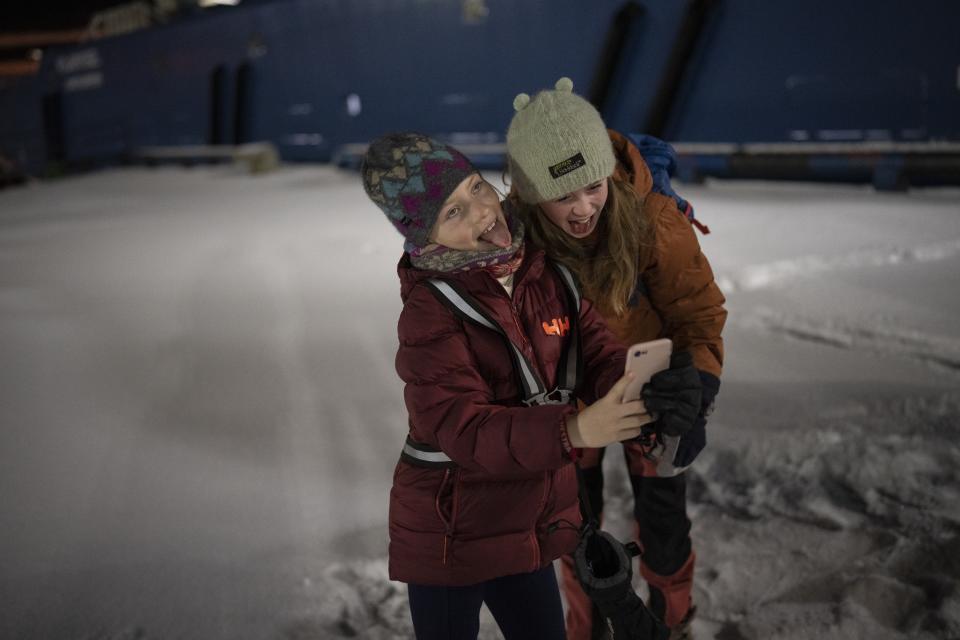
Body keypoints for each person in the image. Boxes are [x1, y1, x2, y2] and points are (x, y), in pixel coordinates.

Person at [361, 132, 655, 639]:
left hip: (527, 524)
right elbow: (463, 428)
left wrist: (644, 391)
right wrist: (575, 429)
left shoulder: (544, 272)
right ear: (424, 237)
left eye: (476, 188)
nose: (481, 212)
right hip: (453, 533)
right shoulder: (429, 311)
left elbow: (599, 354)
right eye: (452, 213)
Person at [505, 78, 727, 640]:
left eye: (593, 186)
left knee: (663, 525)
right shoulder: (513, 241)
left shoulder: (652, 218)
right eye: (562, 196)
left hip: (648, 390)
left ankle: (670, 621)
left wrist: (695, 391)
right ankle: (586, 626)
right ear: (532, 196)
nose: (583, 209)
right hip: (567, 406)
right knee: (574, 532)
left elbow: (698, 314)